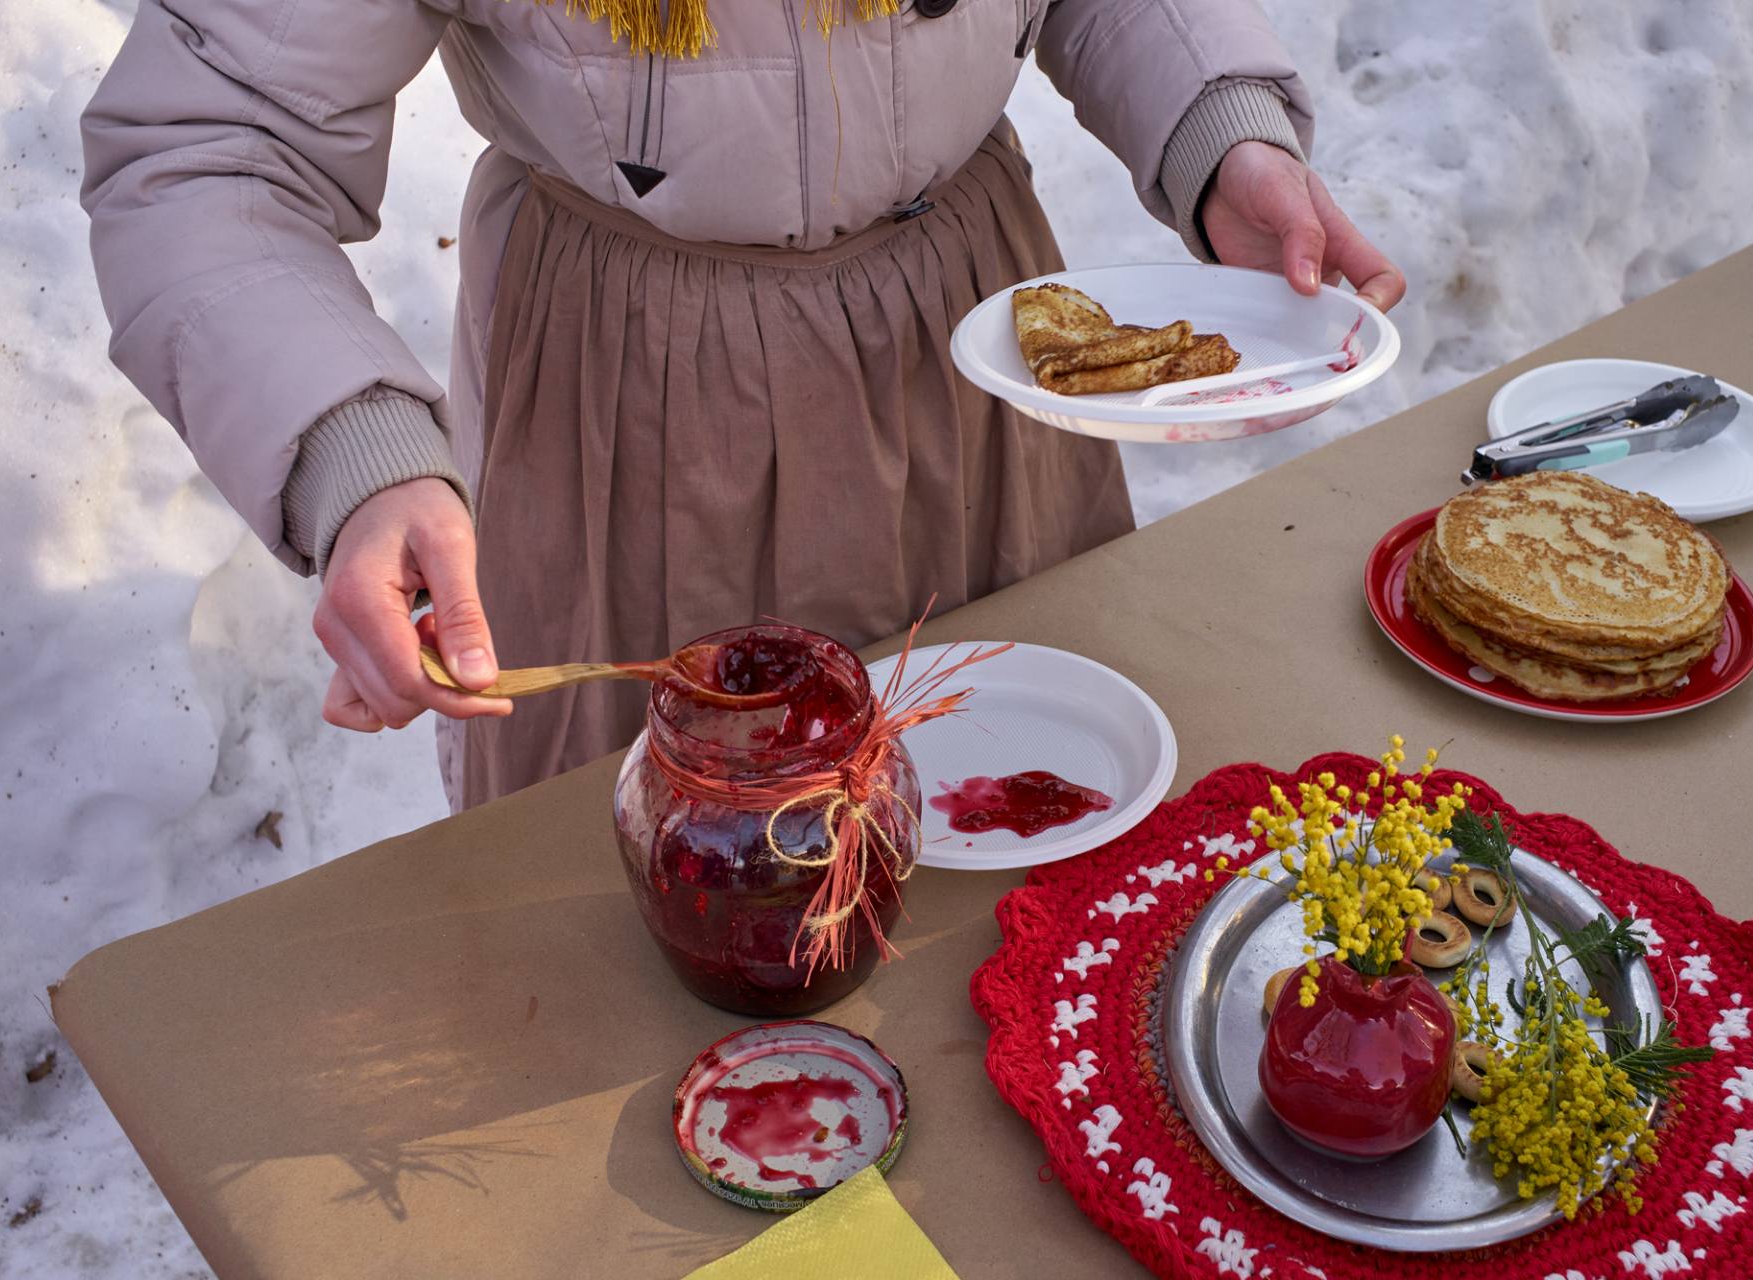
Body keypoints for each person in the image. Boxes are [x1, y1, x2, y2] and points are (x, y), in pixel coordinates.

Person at [82, 0, 1403, 811]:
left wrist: (1219, 126)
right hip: (626, 403)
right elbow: (212, 144)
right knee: (668, 902)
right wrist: (354, 452)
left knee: (1027, 822)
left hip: (968, 358)